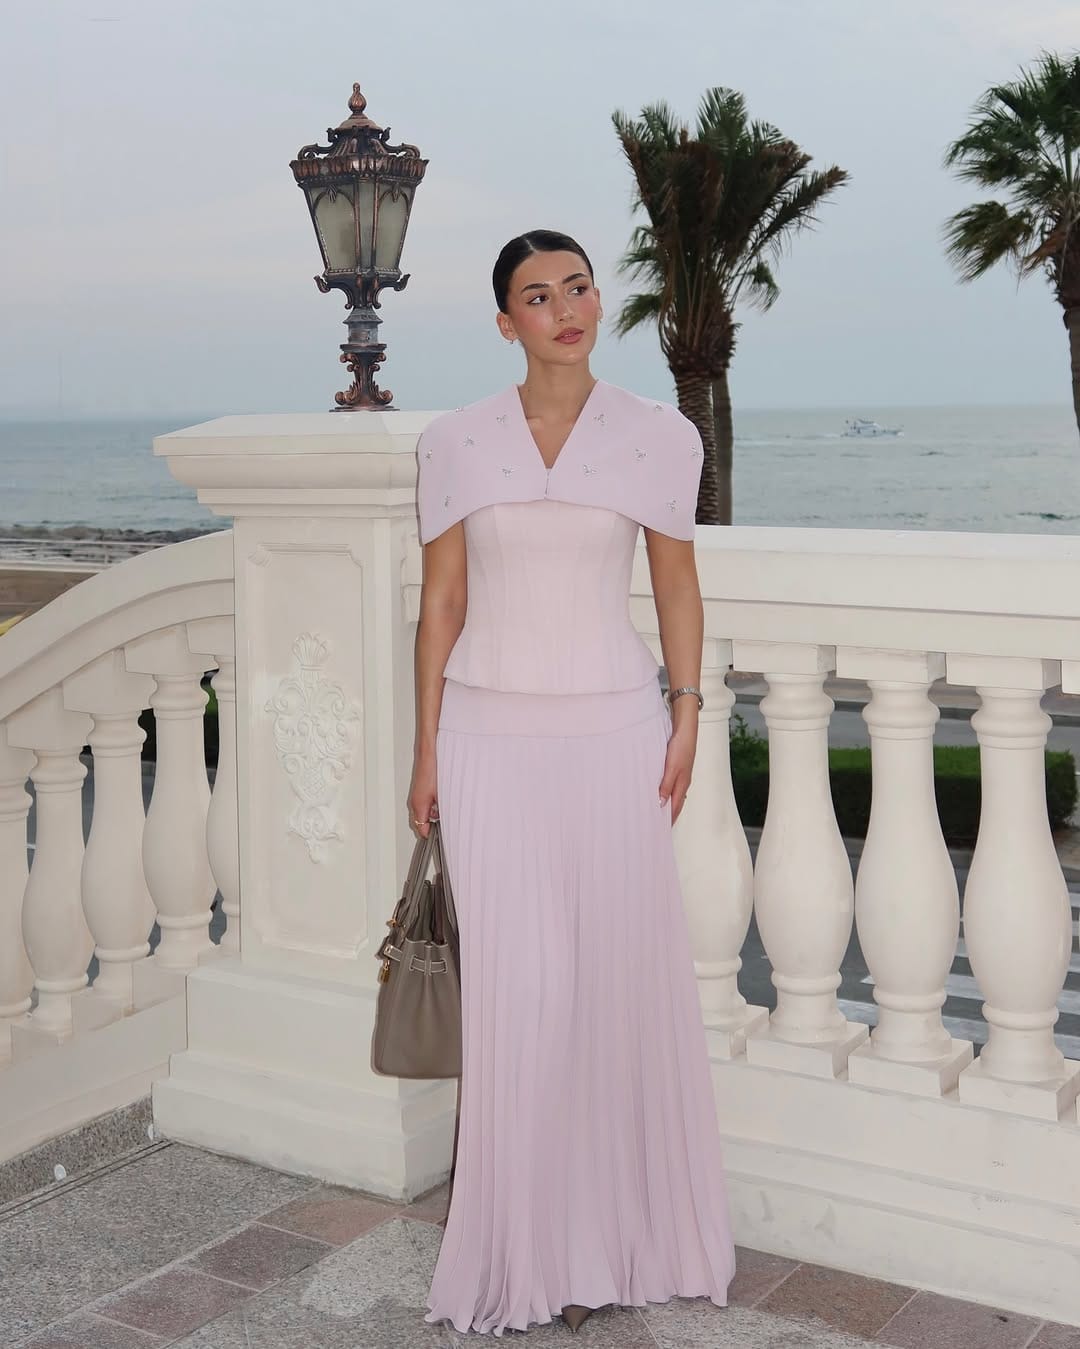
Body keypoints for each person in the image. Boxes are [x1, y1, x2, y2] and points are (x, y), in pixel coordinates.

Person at [409, 229, 735, 1337]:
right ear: (506, 321)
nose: (566, 308)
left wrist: (687, 705)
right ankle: (519, 1246)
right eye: (538, 295)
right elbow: (442, 603)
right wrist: (426, 746)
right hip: (491, 739)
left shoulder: (656, 434)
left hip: (614, 737)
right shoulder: (456, 440)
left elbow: (676, 582)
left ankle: (616, 1238)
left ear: (601, 301)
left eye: (580, 287)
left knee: (608, 988)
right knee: (524, 995)